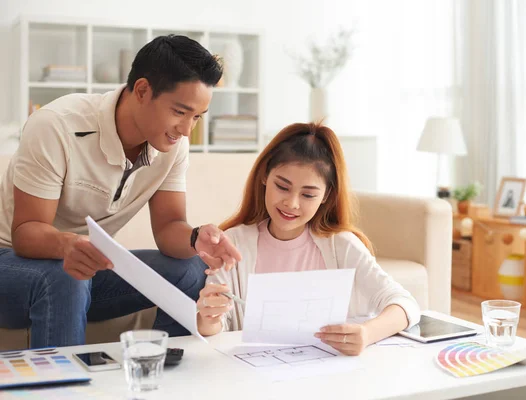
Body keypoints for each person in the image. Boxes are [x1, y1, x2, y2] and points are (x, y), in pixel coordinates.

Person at [0, 35, 241, 348]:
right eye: (180, 112)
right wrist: (71, 245)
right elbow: (25, 233)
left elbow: (169, 228)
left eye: (197, 116)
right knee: (67, 275)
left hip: (82, 272)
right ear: (142, 90)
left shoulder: (172, 144)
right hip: (13, 264)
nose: (186, 130)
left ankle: (164, 379)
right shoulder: (56, 125)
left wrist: (196, 238)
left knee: (190, 269)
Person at [195, 122, 420, 356]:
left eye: (308, 194)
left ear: (326, 196)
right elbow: (215, 328)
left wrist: (367, 334)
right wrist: (207, 317)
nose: (292, 203)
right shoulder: (234, 243)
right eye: (282, 187)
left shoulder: (340, 245)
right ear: (264, 177)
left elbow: (405, 304)